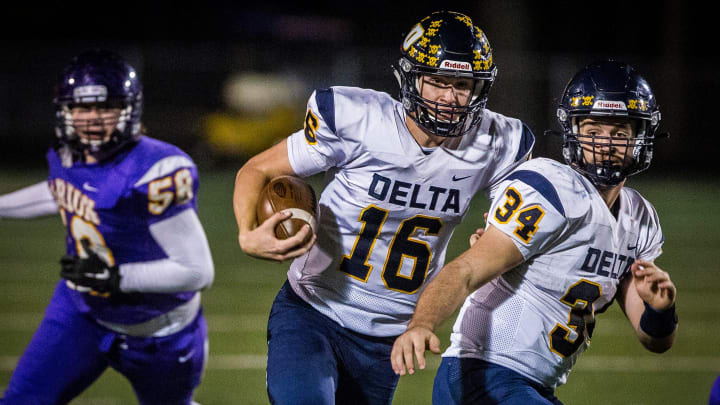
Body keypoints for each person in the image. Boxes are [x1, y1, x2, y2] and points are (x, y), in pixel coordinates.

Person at [232, 10, 535, 404]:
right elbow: (257, 169)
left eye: (462, 84)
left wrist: (494, 233)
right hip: (312, 311)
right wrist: (246, 233)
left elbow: (515, 219)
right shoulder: (360, 120)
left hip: (388, 336)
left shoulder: (497, 143)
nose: (449, 97)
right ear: (411, 78)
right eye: (438, 81)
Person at [390, 60, 678, 404]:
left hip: (532, 387)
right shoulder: (551, 189)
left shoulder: (639, 218)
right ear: (573, 131)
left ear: (640, 139)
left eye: (619, 133)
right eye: (593, 130)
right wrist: (421, 324)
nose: (605, 143)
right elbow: (466, 270)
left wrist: (662, 308)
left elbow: (653, 339)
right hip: (482, 374)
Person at [0, 49, 214, 404]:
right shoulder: (71, 154)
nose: (92, 119)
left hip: (160, 330)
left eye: (105, 107)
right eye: (81, 108)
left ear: (129, 110)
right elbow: (62, 193)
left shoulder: (154, 169)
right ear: (65, 111)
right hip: (81, 313)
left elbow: (196, 270)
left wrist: (116, 278)